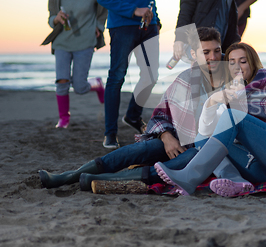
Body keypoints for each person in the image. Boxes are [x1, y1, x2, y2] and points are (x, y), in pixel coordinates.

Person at [38, 27, 227, 191]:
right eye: (205, 52)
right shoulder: (184, 79)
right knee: (140, 149)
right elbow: (161, 113)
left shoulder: (231, 77)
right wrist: (166, 136)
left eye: (216, 51)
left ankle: (102, 180)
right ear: (194, 55)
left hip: (207, 149)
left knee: (185, 161)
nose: (212, 57)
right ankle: (70, 176)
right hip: (178, 140)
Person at [154, 42, 266, 197]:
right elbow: (207, 132)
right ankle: (235, 180)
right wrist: (212, 102)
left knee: (232, 117)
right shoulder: (230, 91)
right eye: (231, 62)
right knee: (201, 138)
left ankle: (189, 177)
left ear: (252, 63)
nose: (237, 66)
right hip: (259, 170)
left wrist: (236, 100)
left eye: (243, 61)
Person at [96, 0, 160, 149]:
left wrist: (156, 16)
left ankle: (133, 115)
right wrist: (133, 10)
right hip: (123, 26)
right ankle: (110, 134)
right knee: (117, 78)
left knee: (151, 75)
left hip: (149, 25)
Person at [43, 0, 107, 129]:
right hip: (62, 42)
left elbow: (103, 11)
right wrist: (56, 19)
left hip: (85, 43)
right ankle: (64, 118)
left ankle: (97, 84)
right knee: (62, 81)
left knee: (79, 87)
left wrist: (99, 27)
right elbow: (50, 19)